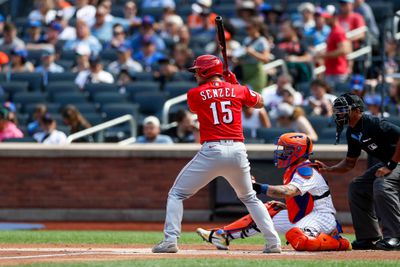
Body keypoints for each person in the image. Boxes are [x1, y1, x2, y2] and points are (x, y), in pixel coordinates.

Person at [152, 55, 281, 254]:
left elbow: (198, 106)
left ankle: (170, 240)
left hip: (212, 150)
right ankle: (273, 243)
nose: (195, 74)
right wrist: (235, 85)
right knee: (250, 198)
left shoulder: (195, 93)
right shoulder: (238, 90)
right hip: (238, 150)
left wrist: (227, 87)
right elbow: (260, 103)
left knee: (176, 194)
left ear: (206, 71)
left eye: (197, 71)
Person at [196, 132, 351, 251]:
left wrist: (258, 187)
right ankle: (222, 236)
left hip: (321, 217)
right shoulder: (294, 168)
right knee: (267, 210)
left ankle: (339, 242)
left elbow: (289, 191)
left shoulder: (307, 171)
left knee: (299, 238)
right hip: (303, 215)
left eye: (287, 149)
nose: (282, 153)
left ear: (298, 151)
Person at [317, 93, 400, 250]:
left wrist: (390, 164)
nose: (338, 114)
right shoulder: (352, 132)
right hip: (389, 162)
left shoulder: (374, 123)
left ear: (356, 110)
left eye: (342, 109)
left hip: (396, 162)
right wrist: (329, 169)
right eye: (337, 110)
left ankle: (396, 236)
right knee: (357, 187)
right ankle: (369, 237)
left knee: (382, 184)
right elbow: (349, 164)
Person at [316, 7, 351, 87]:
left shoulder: (338, 31)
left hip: (338, 73)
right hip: (332, 72)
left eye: (328, 18)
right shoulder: (332, 31)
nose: (325, 20)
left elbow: (344, 50)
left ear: (335, 17)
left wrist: (323, 55)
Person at [233, 17, 270, 93]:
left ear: (256, 28)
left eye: (249, 28)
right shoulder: (247, 40)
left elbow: (266, 59)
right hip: (246, 72)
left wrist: (253, 53)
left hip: (256, 73)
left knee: (255, 100)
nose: (247, 30)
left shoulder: (262, 41)